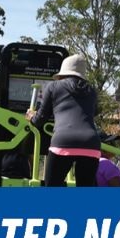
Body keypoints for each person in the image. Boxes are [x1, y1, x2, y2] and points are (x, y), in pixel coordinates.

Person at [27, 54, 102, 187]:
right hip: (91, 143)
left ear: (63, 72)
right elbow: (93, 112)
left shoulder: (53, 86)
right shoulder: (92, 91)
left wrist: (31, 117)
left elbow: (41, 118)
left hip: (63, 141)